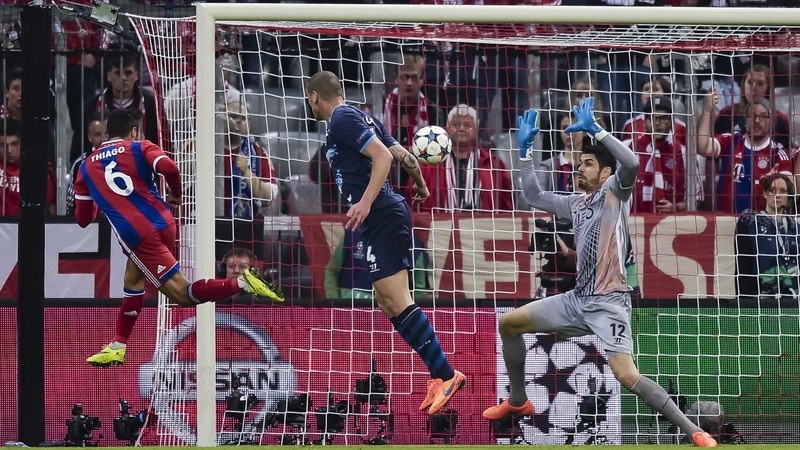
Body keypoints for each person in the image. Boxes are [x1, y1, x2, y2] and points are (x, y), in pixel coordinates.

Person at [483, 98, 718, 448]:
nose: (579, 169)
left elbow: (633, 161)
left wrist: (597, 130)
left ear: (605, 173)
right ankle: (518, 401)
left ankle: (695, 432)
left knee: (625, 374)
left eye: (588, 164)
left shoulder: (615, 193)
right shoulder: (574, 203)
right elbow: (532, 194)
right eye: (579, 163)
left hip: (610, 303)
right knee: (509, 324)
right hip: (578, 299)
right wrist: (526, 150)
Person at [306, 70, 464, 415]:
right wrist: (420, 183)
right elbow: (405, 155)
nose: (310, 105)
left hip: (380, 214)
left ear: (315, 96)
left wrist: (363, 201)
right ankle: (440, 375)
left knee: (396, 298)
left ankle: (446, 374)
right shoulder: (364, 116)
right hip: (383, 216)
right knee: (387, 301)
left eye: (309, 99)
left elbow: (385, 157)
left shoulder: (342, 118)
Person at [74, 109, 283, 367]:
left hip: (138, 234)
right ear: (133, 132)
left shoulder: (85, 167)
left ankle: (242, 283)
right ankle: (118, 344)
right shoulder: (141, 146)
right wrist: (175, 193)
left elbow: (83, 220)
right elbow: (169, 167)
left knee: (182, 295)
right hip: (165, 221)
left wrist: (100, 201)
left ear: (107, 134)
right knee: (133, 276)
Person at [404, 105, 514, 212]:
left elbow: (506, 206)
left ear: (476, 130)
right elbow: (412, 201)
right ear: (446, 129)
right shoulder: (428, 162)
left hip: (484, 227)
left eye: (467, 125)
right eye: (456, 124)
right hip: (438, 227)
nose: (461, 128)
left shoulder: (493, 164)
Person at [697, 92, 792, 213]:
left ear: (772, 122)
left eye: (763, 116)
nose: (757, 120)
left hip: (761, 225)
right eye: (752, 116)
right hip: (726, 221)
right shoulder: (731, 140)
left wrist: (770, 183)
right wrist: (706, 111)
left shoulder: (778, 153)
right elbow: (703, 148)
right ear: (745, 120)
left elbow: (790, 189)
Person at [628, 96, 699, 214]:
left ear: (672, 122)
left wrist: (676, 208)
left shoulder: (684, 154)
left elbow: (697, 199)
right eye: (652, 118)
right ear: (645, 122)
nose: (657, 123)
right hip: (634, 223)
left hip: (671, 225)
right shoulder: (629, 150)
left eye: (663, 118)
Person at [735, 174, 799, 298]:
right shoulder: (750, 223)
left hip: (793, 299)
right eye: (772, 190)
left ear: (788, 196)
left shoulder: (796, 229)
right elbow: (742, 268)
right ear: (764, 193)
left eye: (783, 191)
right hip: (760, 299)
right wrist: (743, 303)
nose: (777, 195)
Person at [223, 100, 278, 219]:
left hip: (243, 225)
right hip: (203, 225)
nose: (237, 121)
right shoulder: (201, 147)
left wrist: (246, 172)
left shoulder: (258, 153)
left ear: (249, 124)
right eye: (232, 116)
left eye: (242, 118)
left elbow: (269, 197)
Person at [0, 119, 56, 216]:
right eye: (2, 145)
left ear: (23, 143)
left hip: (28, 227)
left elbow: (50, 207)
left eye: (15, 144)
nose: (9, 150)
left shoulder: (38, 167)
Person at [67, 110, 108, 215]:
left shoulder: (126, 160)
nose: (104, 139)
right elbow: (71, 205)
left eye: (107, 133)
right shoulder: (80, 165)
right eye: (97, 134)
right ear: (89, 136)